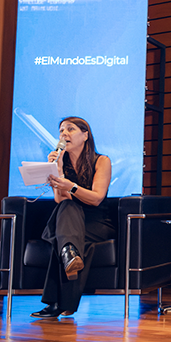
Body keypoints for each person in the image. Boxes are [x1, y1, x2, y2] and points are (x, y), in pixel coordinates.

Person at [31, 117, 113, 318]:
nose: (64, 134)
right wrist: (56, 171)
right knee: (67, 211)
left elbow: (96, 199)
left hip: (96, 222)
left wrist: (72, 186)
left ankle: (54, 304)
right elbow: (61, 200)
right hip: (70, 220)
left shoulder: (101, 161)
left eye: (70, 129)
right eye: (61, 131)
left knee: (63, 238)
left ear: (85, 135)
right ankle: (70, 253)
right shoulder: (62, 163)